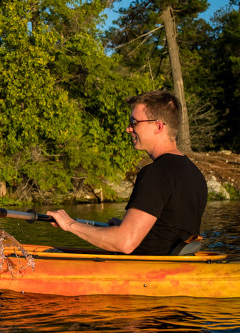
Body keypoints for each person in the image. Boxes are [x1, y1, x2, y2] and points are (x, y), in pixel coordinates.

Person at [47, 90, 207, 255]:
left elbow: (125, 242)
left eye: (134, 122)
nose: (128, 128)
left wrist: (70, 225)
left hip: (143, 274)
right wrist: (125, 225)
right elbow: (167, 232)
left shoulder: (157, 173)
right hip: (171, 270)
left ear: (158, 126)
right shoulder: (195, 174)